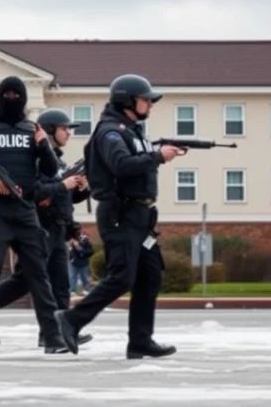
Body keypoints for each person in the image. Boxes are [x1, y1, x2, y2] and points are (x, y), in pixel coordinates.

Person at [54, 73, 182, 359]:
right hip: (119, 213)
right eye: (145, 99)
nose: (150, 104)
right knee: (122, 277)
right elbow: (121, 164)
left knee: (149, 277)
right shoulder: (111, 132)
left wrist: (157, 153)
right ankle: (72, 319)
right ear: (127, 100)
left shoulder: (132, 131)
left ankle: (140, 341)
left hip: (141, 215)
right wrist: (159, 156)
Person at [0, 75, 71, 355]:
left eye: (16, 95)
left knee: (38, 272)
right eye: (6, 94)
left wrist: (43, 144)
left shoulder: (33, 129)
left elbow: (51, 169)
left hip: (26, 207)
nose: (11, 99)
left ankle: (52, 336)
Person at [0, 108, 93, 351]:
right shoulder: (38, 161)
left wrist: (81, 188)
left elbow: (65, 198)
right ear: (51, 130)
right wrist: (63, 185)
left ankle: (58, 332)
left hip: (59, 227)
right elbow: (36, 194)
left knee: (61, 284)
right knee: (24, 280)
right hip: (40, 228)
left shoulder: (60, 162)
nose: (69, 133)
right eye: (65, 129)